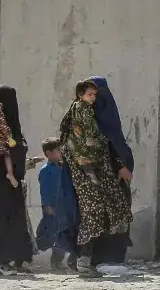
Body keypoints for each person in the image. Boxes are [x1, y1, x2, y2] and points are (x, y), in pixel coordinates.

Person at [59, 76, 135, 276]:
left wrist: (120, 164)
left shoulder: (95, 118)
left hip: (103, 176)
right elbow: (81, 146)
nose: (95, 99)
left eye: (96, 95)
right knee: (93, 213)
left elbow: (113, 144)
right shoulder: (82, 117)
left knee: (112, 210)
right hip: (87, 176)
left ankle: (100, 258)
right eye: (91, 94)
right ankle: (87, 259)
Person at [0, 79, 35, 271]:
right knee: (13, 219)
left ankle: (3, 258)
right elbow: (14, 148)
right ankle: (17, 258)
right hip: (9, 182)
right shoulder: (11, 131)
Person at [36, 137, 80, 271]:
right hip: (53, 208)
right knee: (53, 234)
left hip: (65, 206)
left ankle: (67, 260)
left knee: (66, 233)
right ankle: (55, 260)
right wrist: (47, 206)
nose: (61, 152)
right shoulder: (46, 171)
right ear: (48, 153)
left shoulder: (64, 168)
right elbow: (44, 190)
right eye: (58, 150)